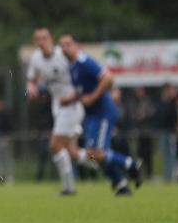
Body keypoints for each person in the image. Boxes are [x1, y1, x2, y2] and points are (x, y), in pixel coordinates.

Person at [58, 35, 143, 195]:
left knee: (97, 154)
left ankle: (130, 164)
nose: (64, 49)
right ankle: (121, 184)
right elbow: (81, 91)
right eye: (61, 46)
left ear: (76, 45)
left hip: (103, 112)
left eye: (68, 44)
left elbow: (109, 78)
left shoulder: (85, 62)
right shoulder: (72, 67)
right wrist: (68, 100)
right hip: (91, 115)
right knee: (94, 156)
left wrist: (94, 97)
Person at [25, 27, 85, 195]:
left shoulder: (63, 55)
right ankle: (112, 161)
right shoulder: (36, 58)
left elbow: (81, 75)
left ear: (51, 39)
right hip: (57, 107)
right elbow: (31, 79)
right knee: (72, 152)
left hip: (70, 106)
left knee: (55, 145)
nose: (41, 41)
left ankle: (69, 188)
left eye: (44, 38)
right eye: (38, 39)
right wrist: (31, 87)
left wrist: (75, 96)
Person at [126, 87, 155, 179]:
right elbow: (131, 115)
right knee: (136, 154)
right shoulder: (132, 102)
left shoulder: (147, 101)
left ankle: (148, 174)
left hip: (146, 134)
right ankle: (135, 173)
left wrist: (143, 116)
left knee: (147, 155)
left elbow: (151, 113)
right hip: (137, 133)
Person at [154, 84, 178, 182]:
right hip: (163, 132)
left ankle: (172, 176)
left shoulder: (174, 102)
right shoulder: (161, 103)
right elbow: (158, 117)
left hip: (171, 132)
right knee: (165, 156)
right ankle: (167, 176)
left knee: (172, 155)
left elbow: (175, 116)